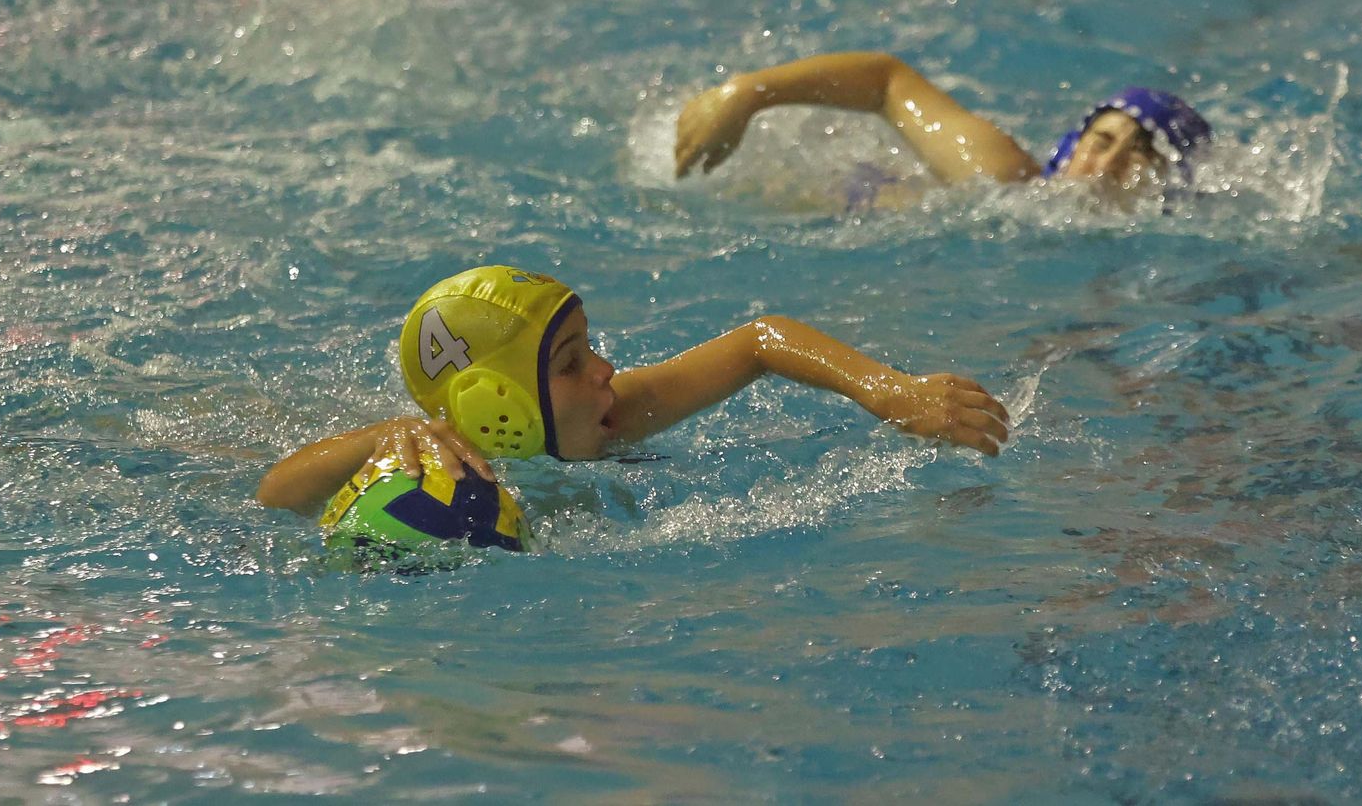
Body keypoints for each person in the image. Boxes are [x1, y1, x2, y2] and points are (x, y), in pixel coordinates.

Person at [257, 265, 1011, 550]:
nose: (607, 370)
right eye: (572, 362)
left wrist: (887, 389)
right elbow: (275, 491)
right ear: (499, 407)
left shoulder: (613, 412)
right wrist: (383, 439)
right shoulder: (429, 467)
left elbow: (759, 341)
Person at [673, 52, 1211, 197]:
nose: (1105, 166)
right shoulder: (1006, 179)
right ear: (1074, 143)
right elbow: (887, 82)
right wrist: (748, 93)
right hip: (842, 196)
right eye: (1102, 141)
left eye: (1140, 156)